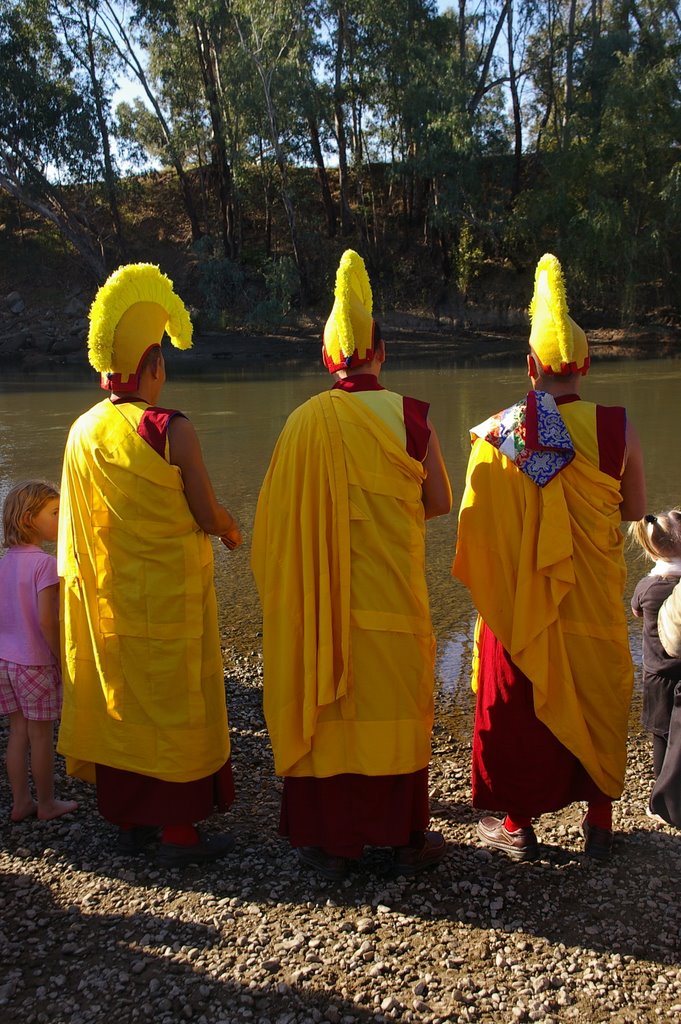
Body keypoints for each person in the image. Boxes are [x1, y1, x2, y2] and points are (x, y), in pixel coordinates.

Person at [251, 249, 453, 881]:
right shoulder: (412, 418)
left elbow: (275, 530)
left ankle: (331, 843)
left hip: (323, 612)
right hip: (391, 603)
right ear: (381, 353)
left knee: (333, 710)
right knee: (394, 712)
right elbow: (440, 501)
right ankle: (400, 839)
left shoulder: (301, 423)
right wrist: (382, 516)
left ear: (326, 360)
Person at [453, 252, 646, 863]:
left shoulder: (497, 435)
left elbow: (475, 531)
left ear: (530, 366)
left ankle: (518, 824)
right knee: (596, 689)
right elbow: (631, 510)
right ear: (585, 364)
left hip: (523, 604)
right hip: (589, 597)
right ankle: (600, 824)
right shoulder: (618, 427)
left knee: (521, 700)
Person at [57, 263, 243, 867]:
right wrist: (232, 527)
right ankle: (178, 834)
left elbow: (76, 530)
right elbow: (205, 511)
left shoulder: (81, 431)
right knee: (175, 703)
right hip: (169, 599)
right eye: (160, 357)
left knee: (126, 700)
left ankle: (129, 822)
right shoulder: (168, 428)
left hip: (111, 600)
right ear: (151, 366)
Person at [0, 480, 79, 822]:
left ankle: (20, 803)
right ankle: (46, 803)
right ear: (30, 520)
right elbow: (49, 622)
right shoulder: (45, 565)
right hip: (35, 663)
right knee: (41, 736)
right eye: (56, 513)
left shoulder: (5, 563)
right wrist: (62, 659)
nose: (62, 520)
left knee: (17, 733)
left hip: (5, 661)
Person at [629, 510, 681, 823]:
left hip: (657, 673)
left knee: (660, 734)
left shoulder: (648, 588)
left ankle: (658, 798)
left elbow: (635, 612)